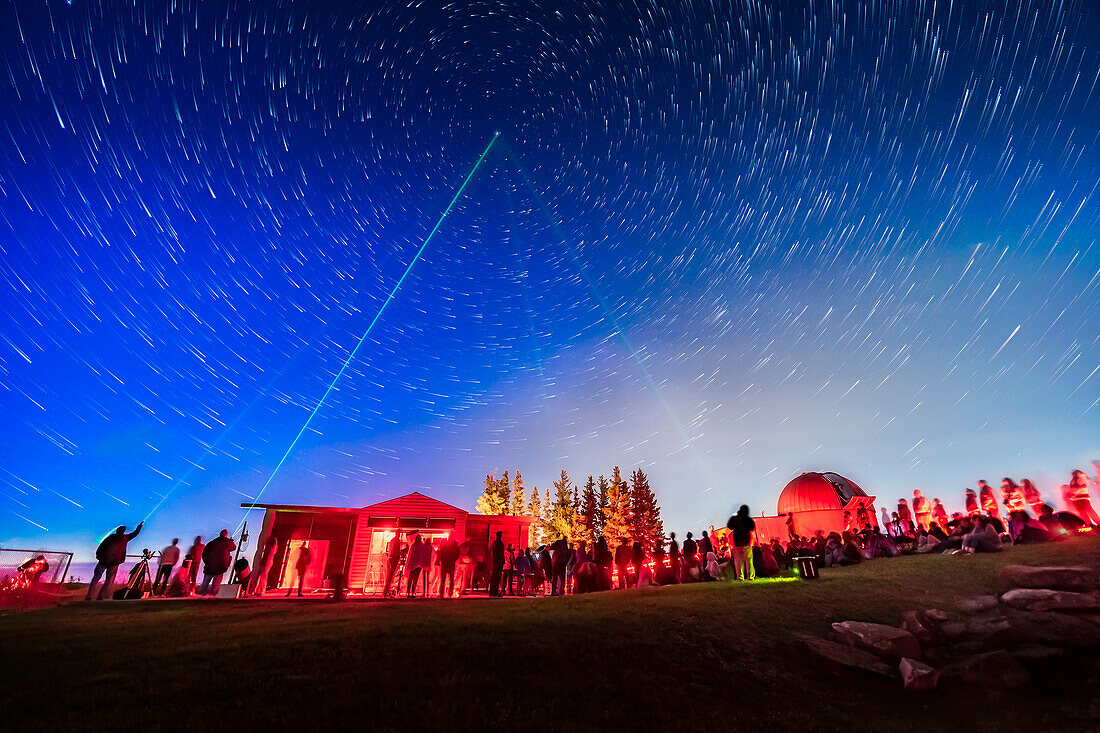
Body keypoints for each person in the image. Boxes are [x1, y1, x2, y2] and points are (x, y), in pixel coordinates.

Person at [85, 521, 143, 601]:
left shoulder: (110, 538)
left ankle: (89, 596)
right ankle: (100, 596)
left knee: (95, 579)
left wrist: (99, 557)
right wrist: (140, 525)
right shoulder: (125, 538)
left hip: (103, 561)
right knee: (108, 581)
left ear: (117, 531)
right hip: (114, 563)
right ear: (123, 532)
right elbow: (135, 533)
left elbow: (101, 547)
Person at [199, 529, 235, 596]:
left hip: (209, 567)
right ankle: (212, 597)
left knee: (205, 583)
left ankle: (201, 596)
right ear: (226, 535)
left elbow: (204, 554)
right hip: (220, 567)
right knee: (215, 586)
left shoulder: (211, 543)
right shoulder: (227, 542)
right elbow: (233, 547)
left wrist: (207, 562)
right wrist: (230, 541)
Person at [726, 505, 756, 581]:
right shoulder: (748, 519)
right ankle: (750, 577)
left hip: (737, 543)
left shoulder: (735, 518)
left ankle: (740, 577)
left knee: (738, 562)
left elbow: (729, 526)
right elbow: (752, 528)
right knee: (749, 561)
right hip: (746, 542)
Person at [383, 533, 404, 597]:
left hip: (390, 558)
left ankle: (386, 591)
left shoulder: (392, 540)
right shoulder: (397, 540)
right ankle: (387, 592)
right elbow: (396, 551)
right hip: (394, 559)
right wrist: (402, 552)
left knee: (388, 576)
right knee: (391, 576)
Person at [489, 531, 505, 597]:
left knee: (494, 577)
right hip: (498, 562)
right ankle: (495, 592)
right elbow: (500, 553)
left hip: (495, 562)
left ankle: (493, 591)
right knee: (497, 577)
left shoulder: (495, 543)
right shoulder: (499, 543)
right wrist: (501, 561)